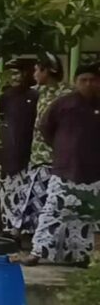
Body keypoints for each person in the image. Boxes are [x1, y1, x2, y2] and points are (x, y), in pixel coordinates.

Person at [26, 64, 100, 266]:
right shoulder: (63, 104)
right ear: (76, 82)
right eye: (83, 80)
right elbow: (45, 127)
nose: (88, 84)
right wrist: (61, 148)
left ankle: (80, 256)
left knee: (85, 216)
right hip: (65, 168)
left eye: (92, 80)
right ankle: (37, 252)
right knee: (52, 212)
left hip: (94, 172)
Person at [20, 53, 69, 257]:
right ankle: (36, 242)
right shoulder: (36, 93)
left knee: (52, 206)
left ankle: (50, 248)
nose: (34, 74)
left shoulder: (67, 94)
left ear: (47, 71)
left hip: (56, 159)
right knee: (35, 203)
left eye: (37, 70)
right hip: (37, 157)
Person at [0, 60, 39, 238]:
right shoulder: (3, 98)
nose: (14, 78)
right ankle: (9, 232)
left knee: (27, 196)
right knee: (8, 195)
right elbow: (1, 124)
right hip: (7, 155)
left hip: (28, 154)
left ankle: (27, 232)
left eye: (17, 73)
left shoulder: (35, 96)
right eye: (10, 74)